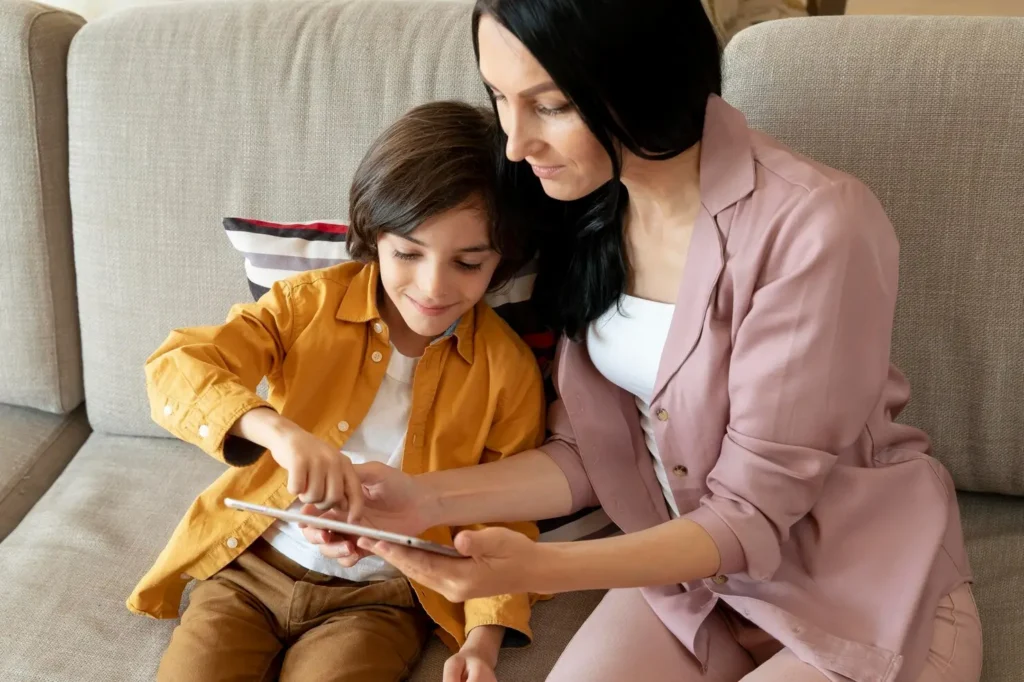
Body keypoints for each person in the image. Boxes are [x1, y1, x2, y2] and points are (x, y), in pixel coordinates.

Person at [303, 2, 983, 681]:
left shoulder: (815, 225)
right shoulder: (585, 206)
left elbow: (749, 515)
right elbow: (587, 454)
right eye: (500, 98)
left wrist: (541, 568)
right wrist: (421, 500)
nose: (514, 144)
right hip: (691, 586)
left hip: (858, 587)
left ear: (646, 81)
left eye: (551, 106)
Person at [127, 101, 546, 682]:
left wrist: (482, 643)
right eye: (407, 254)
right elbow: (177, 366)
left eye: (468, 263)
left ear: (501, 262)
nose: (433, 287)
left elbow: (511, 516)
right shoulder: (308, 305)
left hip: (381, 601)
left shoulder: (507, 371)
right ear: (375, 237)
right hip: (249, 569)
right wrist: (279, 433)